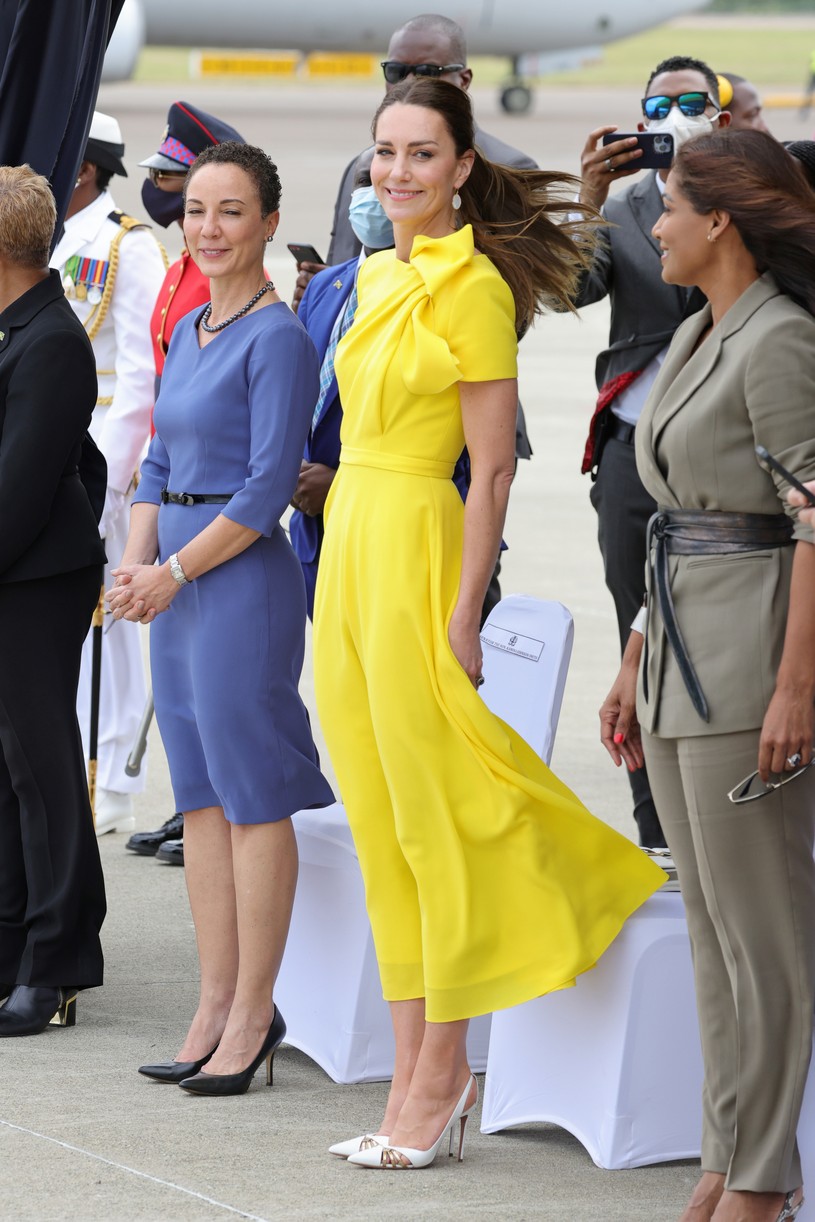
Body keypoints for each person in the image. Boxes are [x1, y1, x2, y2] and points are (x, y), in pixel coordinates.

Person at [313, 77, 666, 1171]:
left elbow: (497, 466)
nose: (399, 172)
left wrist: (464, 607)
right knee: (377, 818)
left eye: (422, 154)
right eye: (386, 152)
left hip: (421, 534)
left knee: (433, 811)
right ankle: (413, 1067)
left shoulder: (471, 291)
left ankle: (445, 1070)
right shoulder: (375, 274)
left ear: (461, 167)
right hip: (347, 547)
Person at [600, 129, 815, 1222]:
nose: (656, 226)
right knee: (710, 931)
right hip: (678, 656)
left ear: (720, 220)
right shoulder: (696, 332)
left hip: (750, 661)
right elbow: (675, 518)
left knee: (763, 935)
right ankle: (721, 1155)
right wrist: (633, 652)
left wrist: (796, 685)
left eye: (669, 207)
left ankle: (764, 1179)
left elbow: (813, 520)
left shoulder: (777, 340)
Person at [107, 142, 333, 1095]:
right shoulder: (190, 324)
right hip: (175, 585)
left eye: (231, 211)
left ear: (269, 224)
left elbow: (269, 484)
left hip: (238, 585)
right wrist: (134, 561)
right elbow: (157, 460)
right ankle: (211, 1002)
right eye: (197, 210)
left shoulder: (276, 335)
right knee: (198, 799)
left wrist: (173, 572)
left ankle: (254, 1011)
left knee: (251, 800)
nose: (208, 229)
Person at [575, 54, 730, 849]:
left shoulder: (748, 199)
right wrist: (587, 201)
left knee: (716, 632)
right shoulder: (627, 204)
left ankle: (725, 813)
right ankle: (657, 832)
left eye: (691, 100)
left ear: (722, 113)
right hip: (634, 448)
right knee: (632, 641)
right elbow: (570, 288)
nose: (674, 112)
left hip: (722, 448)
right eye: (658, 101)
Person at [0, 166, 107, 1036]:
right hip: (14, 572)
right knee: (8, 776)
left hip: (32, 581)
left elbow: (21, 490)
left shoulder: (49, 339)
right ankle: (12, 947)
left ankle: (58, 962)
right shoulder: (14, 327)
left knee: (41, 773)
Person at [126, 101, 247, 865]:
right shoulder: (175, 272)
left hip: (212, 491)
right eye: (172, 185)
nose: (164, 191)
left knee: (219, 688)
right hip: (168, 472)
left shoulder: (213, 283)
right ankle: (187, 804)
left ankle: (208, 805)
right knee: (179, 688)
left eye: (176, 178)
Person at [52, 111, 168, 836]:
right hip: (40, 445)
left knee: (108, 618)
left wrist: (114, 482)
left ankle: (113, 768)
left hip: (98, 452)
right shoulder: (46, 233)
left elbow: (141, 376)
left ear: (85, 169)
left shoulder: (127, 247)